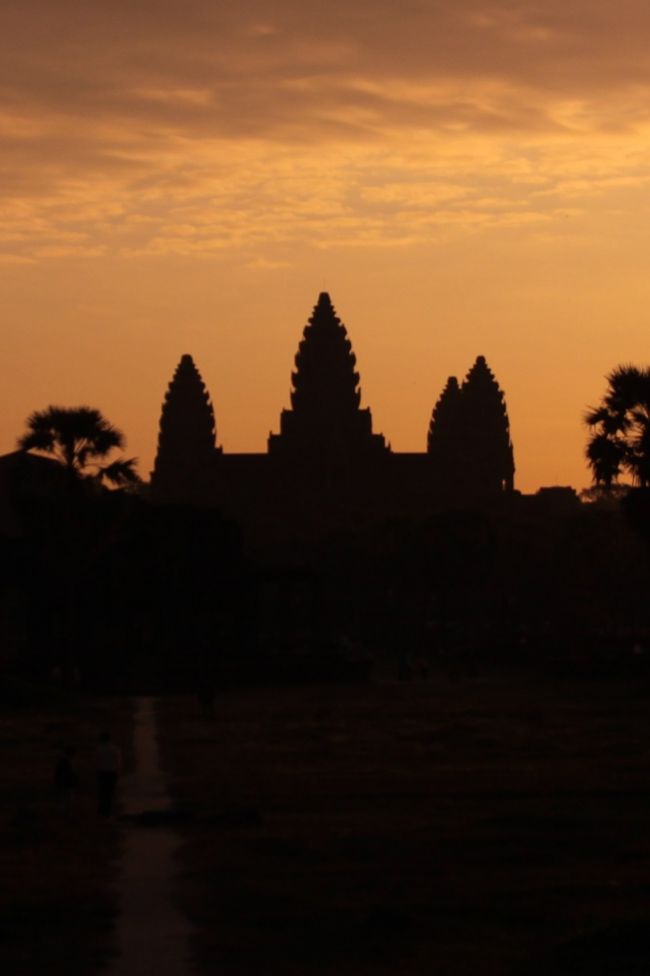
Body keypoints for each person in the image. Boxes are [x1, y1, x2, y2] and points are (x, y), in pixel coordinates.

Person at [96, 731, 121, 817]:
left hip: (102, 772)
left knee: (102, 791)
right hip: (111, 773)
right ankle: (108, 810)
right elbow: (118, 762)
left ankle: (102, 810)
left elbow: (96, 761)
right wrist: (118, 771)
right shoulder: (114, 749)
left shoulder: (99, 749)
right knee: (110, 791)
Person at [53, 744, 79, 812]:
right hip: (67, 782)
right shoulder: (66, 761)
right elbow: (70, 772)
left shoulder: (64, 761)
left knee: (65, 799)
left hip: (66, 782)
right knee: (67, 799)